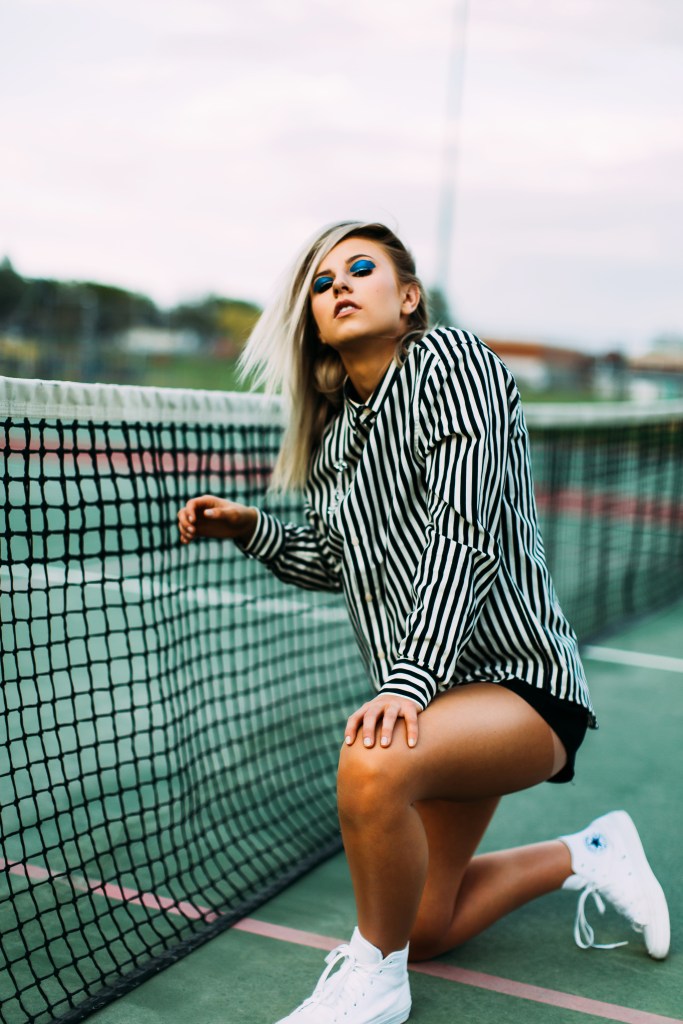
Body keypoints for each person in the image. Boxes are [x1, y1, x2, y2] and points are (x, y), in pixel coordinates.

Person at [177, 221, 669, 1024]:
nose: (337, 285)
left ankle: (374, 985)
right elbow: (337, 561)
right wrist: (253, 531)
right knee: (425, 927)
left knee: (370, 762)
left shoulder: (450, 362)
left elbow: (462, 531)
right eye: (321, 282)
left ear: (407, 298)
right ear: (314, 321)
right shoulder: (335, 442)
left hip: (521, 684)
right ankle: (587, 852)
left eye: (358, 268)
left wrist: (407, 681)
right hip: (438, 699)